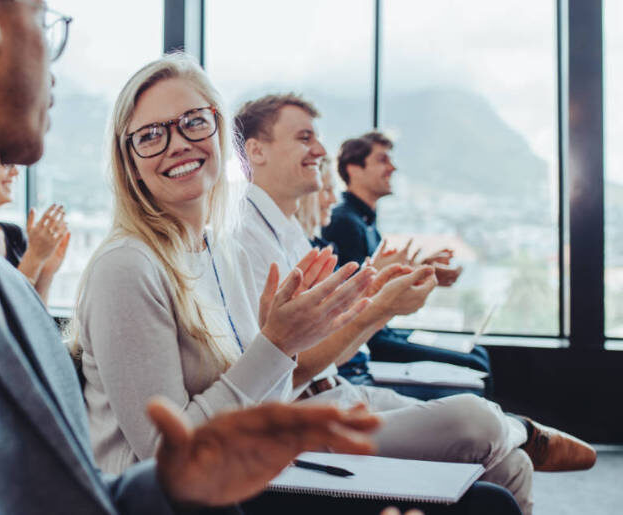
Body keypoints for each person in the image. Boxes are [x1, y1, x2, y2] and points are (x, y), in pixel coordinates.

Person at [0, 2, 383, 513]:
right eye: (43, 22)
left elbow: (69, 497)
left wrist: (175, 483)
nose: (55, 68)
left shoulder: (4, 283)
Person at [73, 54, 521, 515]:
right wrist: (279, 344)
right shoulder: (127, 266)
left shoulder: (219, 251)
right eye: (150, 135)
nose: (177, 144)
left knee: (503, 477)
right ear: (128, 161)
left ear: (221, 131)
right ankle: (520, 429)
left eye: (193, 121)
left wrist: (287, 345)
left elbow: (266, 393)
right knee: (488, 500)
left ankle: (517, 433)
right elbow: (169, 459)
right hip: (191, 502)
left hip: (249, 469)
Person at [234, 93, 598, 515]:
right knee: (475, 420)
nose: (320, 150)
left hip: (339, 391)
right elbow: (284, 367)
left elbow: (327, 331)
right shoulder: (245, 241)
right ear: (255, 151)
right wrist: (380, 305)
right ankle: (517, 428)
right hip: (303, 411)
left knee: (512, 464)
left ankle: (515, 436)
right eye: (304, 138)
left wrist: (381, 289)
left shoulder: (290, 236)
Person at [321, 133, 493, 386]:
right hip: (368, 339)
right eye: (382, 160)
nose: (393, 168)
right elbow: (360, 292)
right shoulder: (345, 222)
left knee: (478, 353)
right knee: (475, 362)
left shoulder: (365, 223)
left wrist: (423, 269)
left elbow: (376, 277)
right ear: (354, 169)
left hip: (383, 332)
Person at [0, 163, 70, 303]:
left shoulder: (14, 235)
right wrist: (34, 258)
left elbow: (35, 317)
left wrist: (46, 271)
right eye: (6, 164)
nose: (16, 172)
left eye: (16, 165)